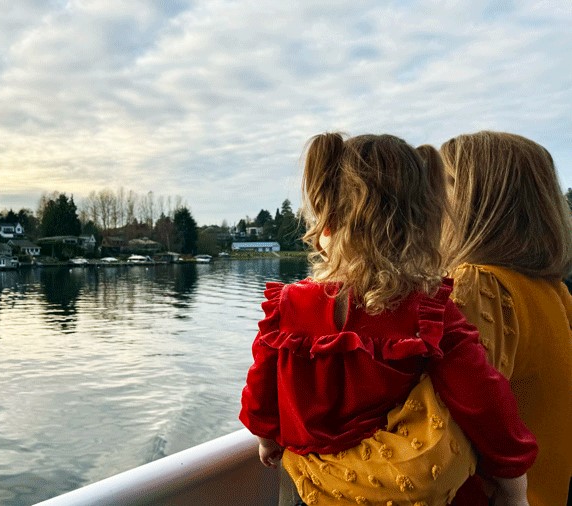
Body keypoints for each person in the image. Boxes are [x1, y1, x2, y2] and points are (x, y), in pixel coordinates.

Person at [239, 132, 537, 505]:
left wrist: (266, 436)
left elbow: (261, 384)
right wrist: (514, 483)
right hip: (390, 488)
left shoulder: (288, 305)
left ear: (327, 220)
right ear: (426, 224)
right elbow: (483, 398)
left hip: (311, 487)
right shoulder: (427, 310)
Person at [440, 131, 572, 506]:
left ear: (479, 201)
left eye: (444, 181)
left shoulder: (479, 283)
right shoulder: (551, 289)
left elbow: (450, 426)